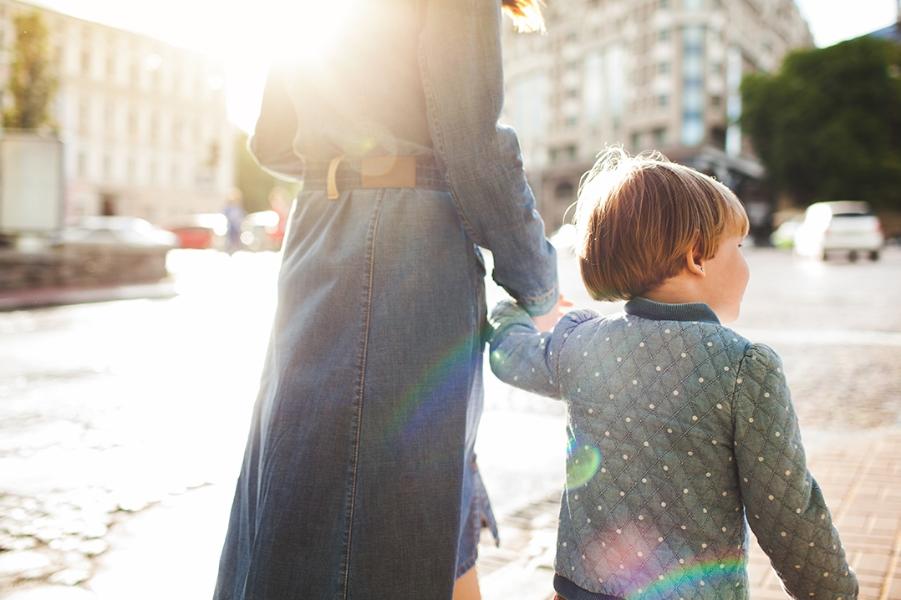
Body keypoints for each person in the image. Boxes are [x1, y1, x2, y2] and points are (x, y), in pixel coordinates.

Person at [213, 1, 557, 599]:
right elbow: (473, 145)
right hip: (408, 247)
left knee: (298, 482)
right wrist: (538, 283)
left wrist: (341, 169)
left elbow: (272, 141)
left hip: (317, 233)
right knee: (392, 507)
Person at [488, 149, 859, 600]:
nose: (745, 264)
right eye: (737, 248)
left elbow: (511, 356)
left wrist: (512, 309)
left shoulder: (580, 344)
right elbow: (787, 511)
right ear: (696, 257)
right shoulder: (743, 368)